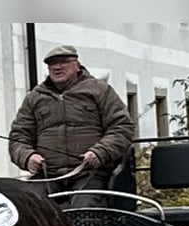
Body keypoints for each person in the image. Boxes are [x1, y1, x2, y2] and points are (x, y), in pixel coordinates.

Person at [8, 44, 135, 207]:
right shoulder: (35, 98)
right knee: (25, 206)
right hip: (49, 176)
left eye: (63, 62)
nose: (57, 67)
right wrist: (27, 157)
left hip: (90, 173)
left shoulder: (100, 91)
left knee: (84, 208)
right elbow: (18, 136)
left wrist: (99, 152)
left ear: (77, 65)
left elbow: (122, 127)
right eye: (52, 64)